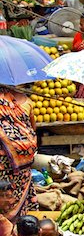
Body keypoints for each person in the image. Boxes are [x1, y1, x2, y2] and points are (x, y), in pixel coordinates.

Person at [0, 91, 37, 219]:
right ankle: (20, 229)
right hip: (23, 163)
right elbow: (32, 127)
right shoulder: (23, 101)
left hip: (7, 164)